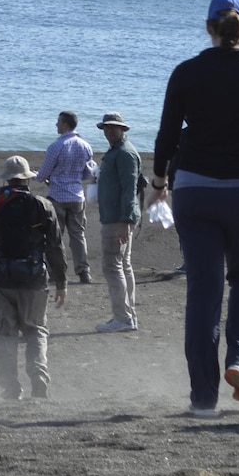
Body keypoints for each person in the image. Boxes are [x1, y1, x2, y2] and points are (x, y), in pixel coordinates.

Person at [146, 0, 239, 416]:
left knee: (203, 293)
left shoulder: (186, 73)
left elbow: (166, 136)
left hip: (194, 191)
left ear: (209, 27)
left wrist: (159, 183)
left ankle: (203, 399)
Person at [0, 156, 68, 399]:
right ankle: (38, 375)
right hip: (35, 278)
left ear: (6, 179)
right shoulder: (43, 206)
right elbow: (55, 247)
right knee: (36, 330)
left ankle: (10, 387)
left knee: (4, 333)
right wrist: (61, 282)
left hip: (4, 278)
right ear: (27, 179)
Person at [95, 112, 144, 332]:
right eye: (106, 128)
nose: (108, 132)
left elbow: (130, 188)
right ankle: (127, 316)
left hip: (118, 219)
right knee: (123, 266)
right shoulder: (118, 152)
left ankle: (122, 318)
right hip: (117, 217)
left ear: (122, 129)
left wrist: (125, 220)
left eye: (113, 128)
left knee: (113, 266)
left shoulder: (124, 153)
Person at [35, 111, 97, 286]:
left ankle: (56, 271)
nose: (56, 125)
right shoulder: (85, 145)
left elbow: (43, 174)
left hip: (57, 195)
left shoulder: (57, 146)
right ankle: (83, 271)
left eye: (58, 122)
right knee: (78, 235)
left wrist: (39, 176)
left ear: (65, 125)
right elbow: (88, 173)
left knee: (55, 236)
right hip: (77, 195)